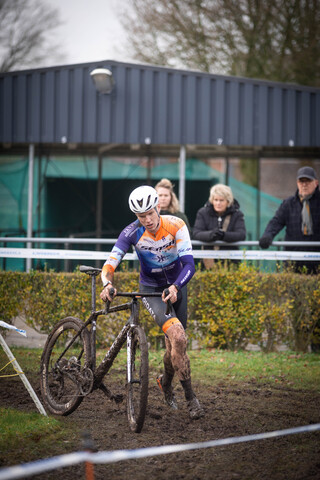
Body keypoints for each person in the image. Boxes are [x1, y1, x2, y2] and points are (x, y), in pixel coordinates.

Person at [100, 185, 204, 419]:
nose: (146, 220)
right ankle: (191, 400)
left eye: (149, 213)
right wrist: (107, 284)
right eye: (140, 216)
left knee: (176, 345)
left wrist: (177, 286)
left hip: (177, 286)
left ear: (158, 207)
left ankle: (165, 382)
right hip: (151, 290)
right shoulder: (131, 232)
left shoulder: (176, 225)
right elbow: (109, 264)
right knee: (177, 336)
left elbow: (190, 265)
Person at [259, 166, 320, 274]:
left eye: (308, 181)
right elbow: (276, 221)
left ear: (316, 183)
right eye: (301, 181)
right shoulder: (288, 204)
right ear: (297, 183)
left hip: (317, 260)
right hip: (293, 260)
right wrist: (267, 235)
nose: (304, 184)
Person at [192, 184, 246, 268]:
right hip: (208, 261)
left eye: (221, 200)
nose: (218, 203)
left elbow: (241, 234)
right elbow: (196, 233)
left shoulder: (237, 214)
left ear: (228, 201)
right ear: (212, 200)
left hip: (230, 260)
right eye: (215, 200)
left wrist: (223, 235)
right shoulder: (203, 212)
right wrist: (211, 235)